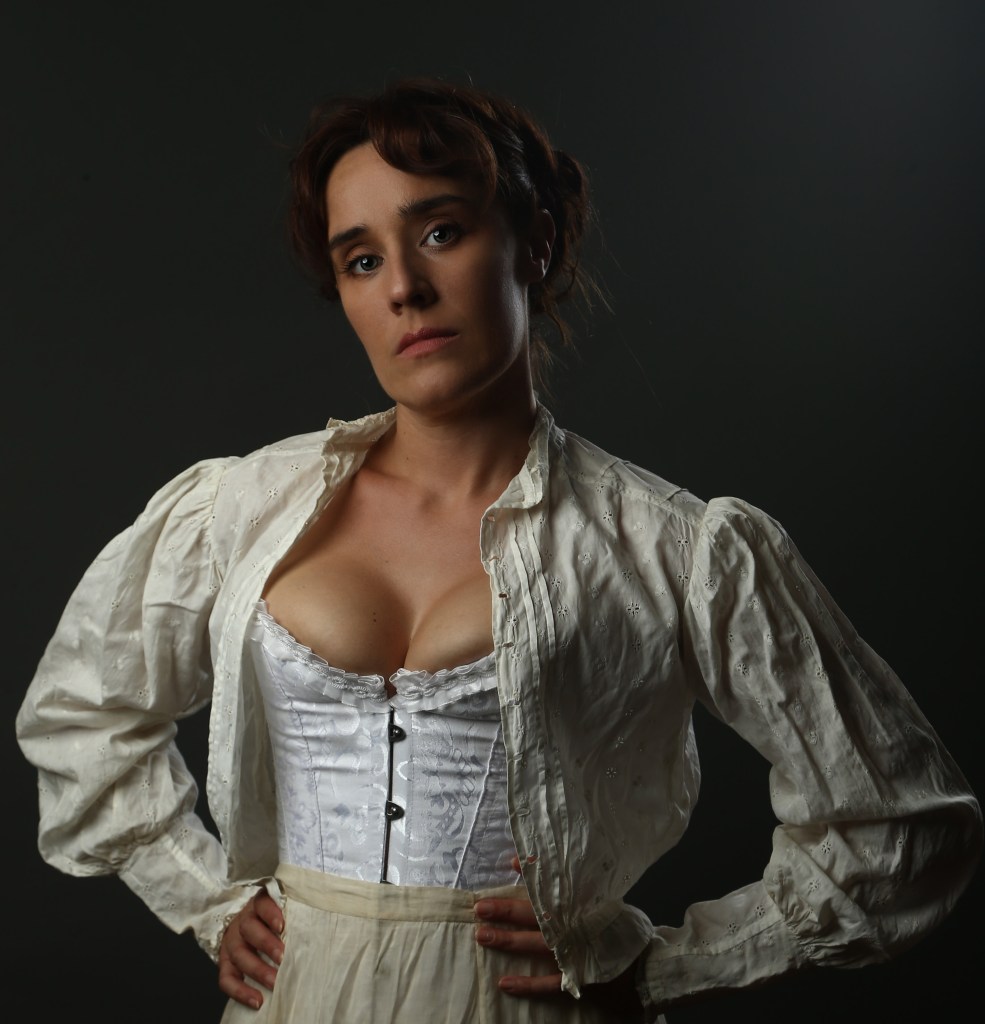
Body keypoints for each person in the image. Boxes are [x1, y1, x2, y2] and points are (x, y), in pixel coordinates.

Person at [16, 77, 982, 1024]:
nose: (404, 288)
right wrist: (206, 899)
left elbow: (898, 822)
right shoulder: (241, 508)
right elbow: (80, 716)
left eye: (441, 232)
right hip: (293, 998)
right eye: (361, 260)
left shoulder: (668, 546)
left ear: (536, 242)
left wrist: (672, 966)